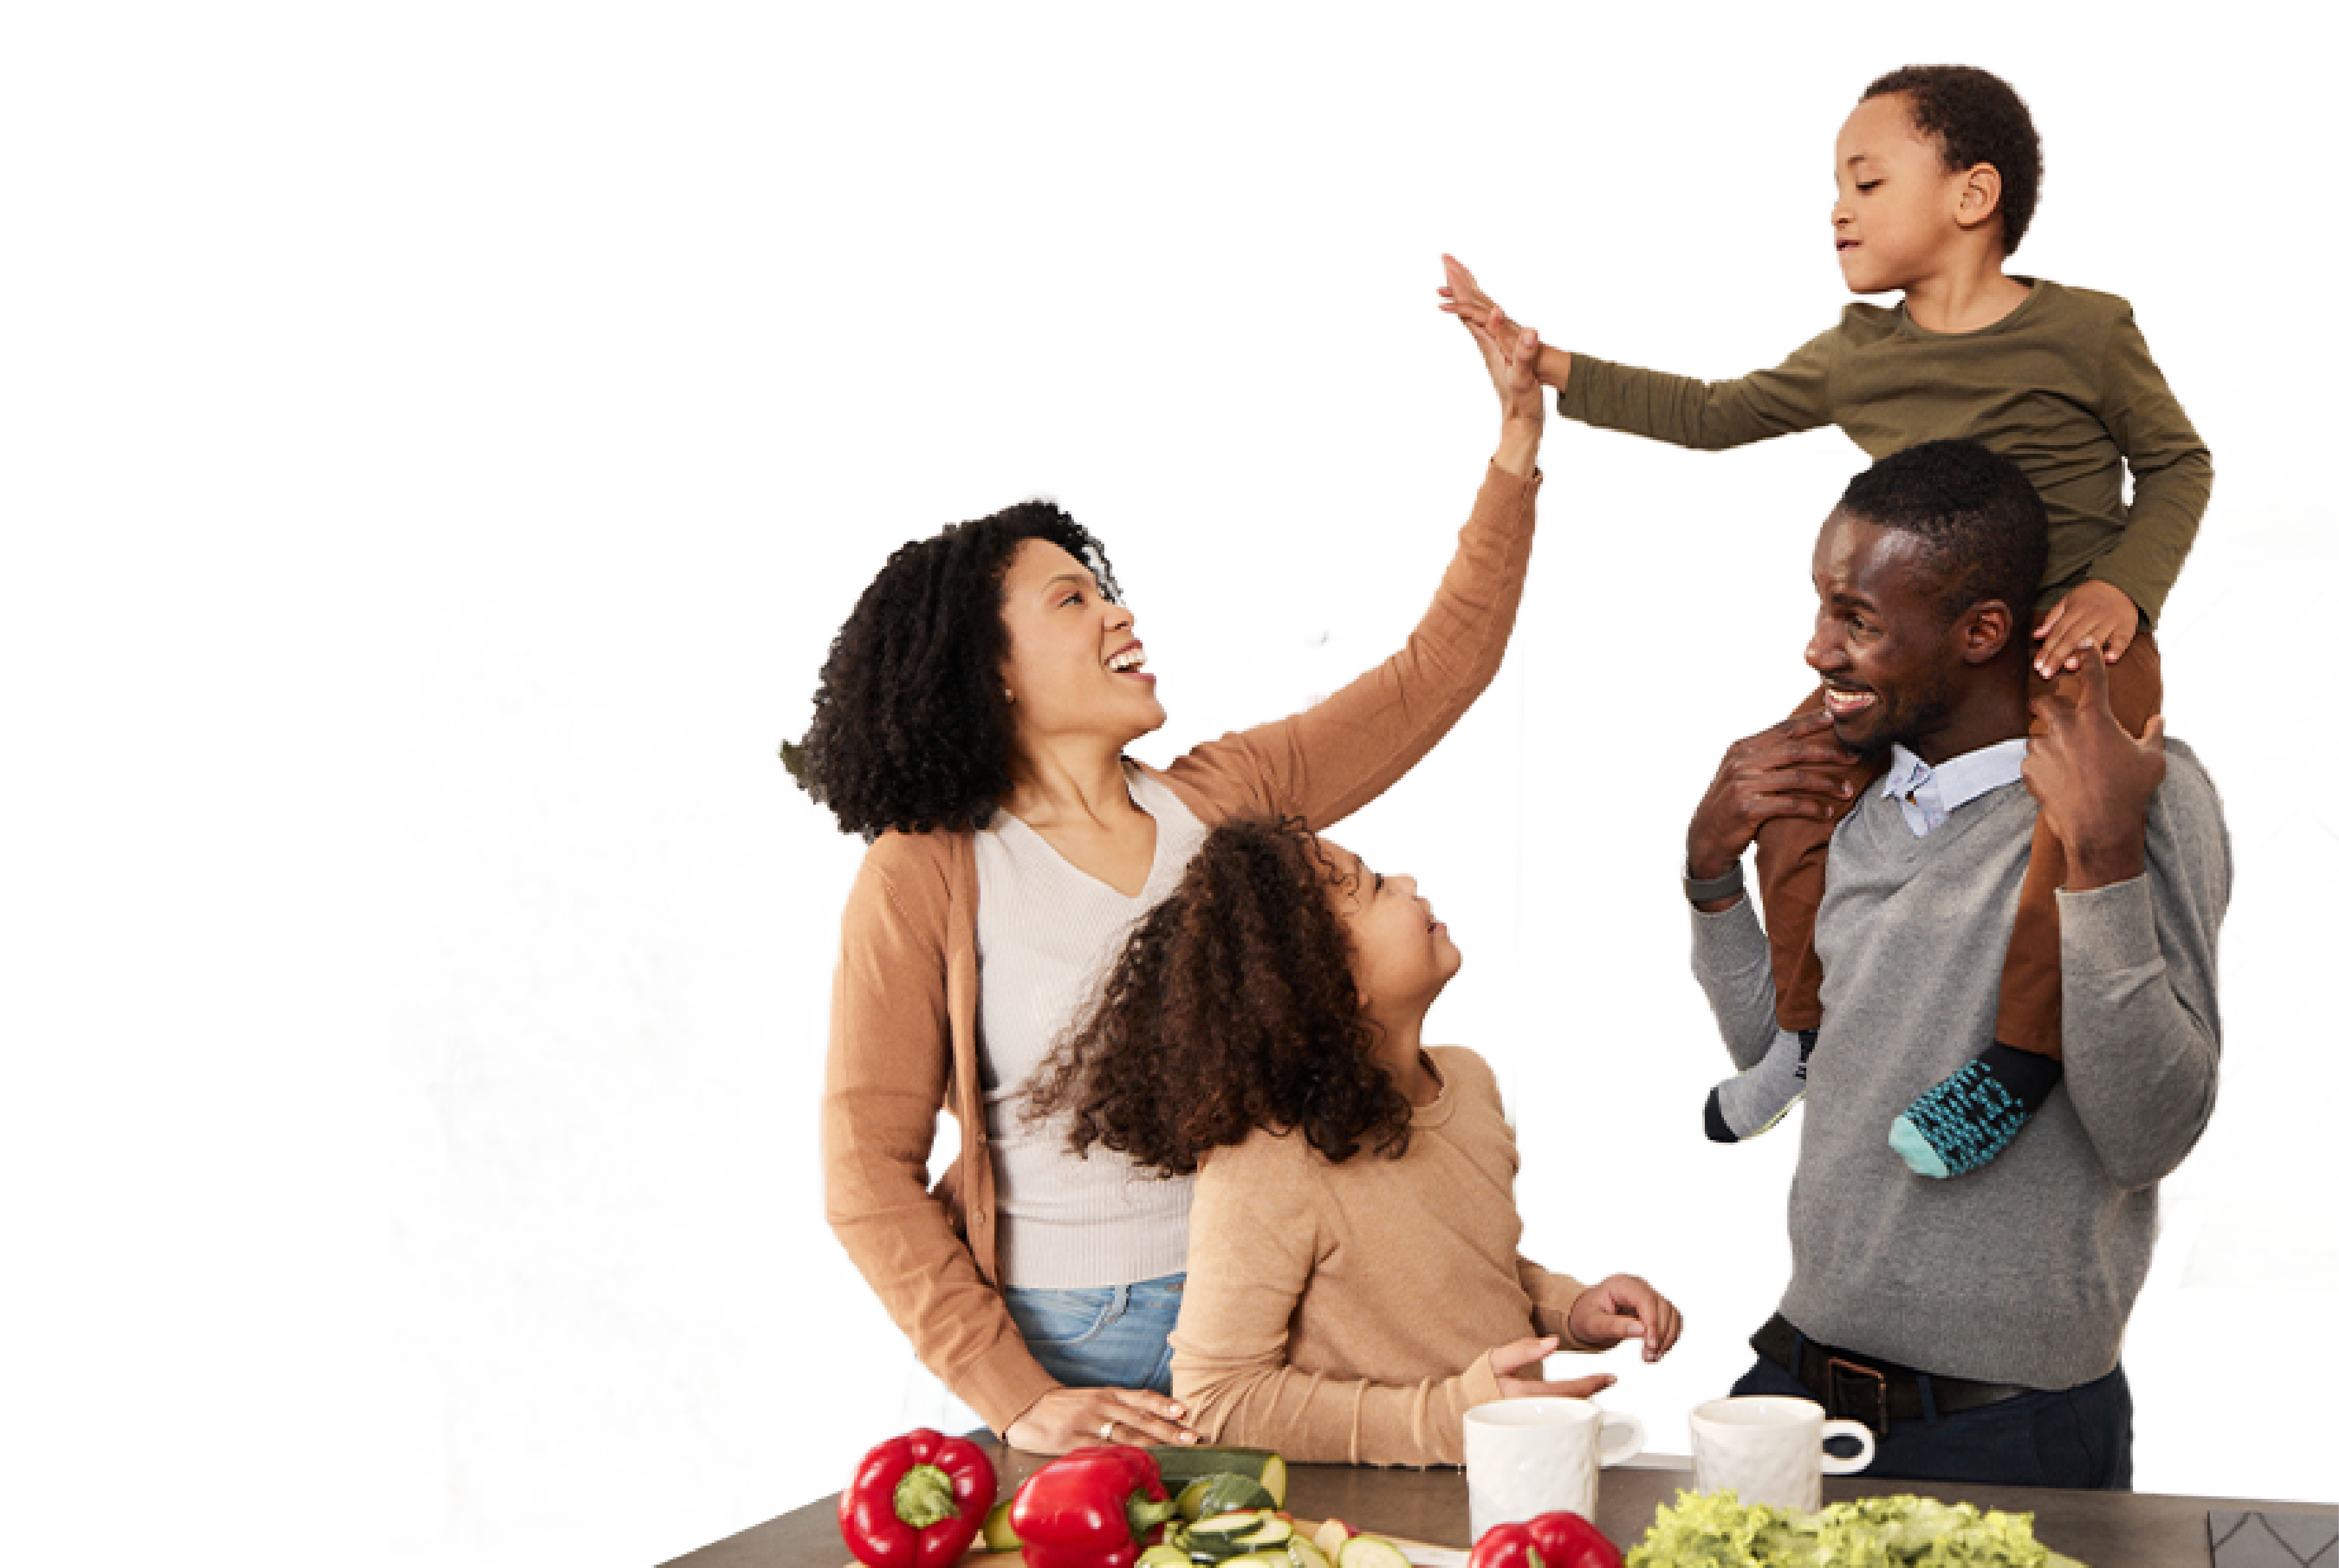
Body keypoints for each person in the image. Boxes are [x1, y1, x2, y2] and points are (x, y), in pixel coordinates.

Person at [1439, 63, 2215, 1177]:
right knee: (1790, 784)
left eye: (1864, 179)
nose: (1834, 208)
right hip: (1919, 653)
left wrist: (2123, 591)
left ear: (1969, 195)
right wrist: (1542, 361)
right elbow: (1711, 413)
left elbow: (2177, 464)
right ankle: (1806, 1034)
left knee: (2078, 822)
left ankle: (2021, 1054)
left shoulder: (2086, 331)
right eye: (1831, 186)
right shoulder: (1859, 352)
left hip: (2066, 641)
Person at [798, 318, 1548, 1457]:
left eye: (1106, 590)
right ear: (986, 669)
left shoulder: (1226, 800)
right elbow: (863, 1170)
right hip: (1047, 1342)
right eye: (1069, 602)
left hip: (1245, 1327)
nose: (1118, 613)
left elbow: (1433, 675)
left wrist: (1513, 448)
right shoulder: (925, 872)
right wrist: (1015, 1393)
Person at [1678, 439, 2228, 1490]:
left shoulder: (2139, 792)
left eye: (1858, 620)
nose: (1815, 651)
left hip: (2007, 1433)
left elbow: (2148, 1131)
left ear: (1981, 632)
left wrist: (2103, 857)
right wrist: (1710, 876)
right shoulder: (1850, 796)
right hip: (1791, 1383)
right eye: (1819, 609)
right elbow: (1789, 1053)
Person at [1027, 816, 1680, 1466]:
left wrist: (1573, 1309)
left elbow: (1464, 1275)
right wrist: (1451, 1420)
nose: (1405, 882)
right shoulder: (1270, 1159)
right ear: (1328, 982)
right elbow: (1219, 1399)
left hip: (1504, 1483)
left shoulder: (1468, 1081)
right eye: (1370, 889)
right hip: (1382, 1519)